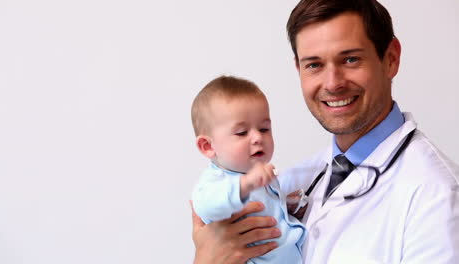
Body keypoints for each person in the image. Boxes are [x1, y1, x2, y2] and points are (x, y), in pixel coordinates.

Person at [191, 0, 459, 263]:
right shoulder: (293, 182)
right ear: (299, 69)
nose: (332, 84)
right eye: (314, 65)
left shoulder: (435, 195)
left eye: (351, 59)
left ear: (390, 59)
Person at [190, 76, 306, 263]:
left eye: (264, 129)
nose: (257, 138)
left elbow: (265, 209)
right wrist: (246, 184)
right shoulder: (215, 183)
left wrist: (285, 205)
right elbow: (209, 206)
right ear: (207, 146)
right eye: (242, 133)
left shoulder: (258, 178)